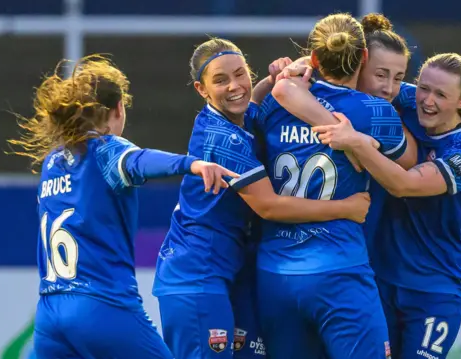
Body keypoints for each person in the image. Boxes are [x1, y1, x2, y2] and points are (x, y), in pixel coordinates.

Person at [151, 38, 371, 359]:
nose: (235, 86)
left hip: (230, 271)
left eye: (240, 74)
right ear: (201, 89)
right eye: (220, 80)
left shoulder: (236, 118)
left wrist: (278, 77)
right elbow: (269, 205)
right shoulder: (221, 138)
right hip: (196, 276)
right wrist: (345, 208)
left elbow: (249, 103)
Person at [8, 54, 237, 359]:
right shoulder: (105, 149)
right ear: (118, 108)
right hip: (101, 306)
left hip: (50, 314)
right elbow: (138, 161)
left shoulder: (53, 162)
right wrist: (191, 163)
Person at [311, 52, 461, 359]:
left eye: (441, 94)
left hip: (434, 290)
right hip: (379, 279)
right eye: (423, 87)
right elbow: (349, 81)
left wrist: (358, 143)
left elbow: (404, 185)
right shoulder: (408, 99)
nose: (427, 100)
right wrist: (299, 68)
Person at [255, 13, 414, 359]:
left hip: (274, 274)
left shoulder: (274, 103)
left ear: (313, 57)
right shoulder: (373, 112)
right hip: (339, 273)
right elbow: (410, 161)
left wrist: (286, 76)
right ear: (364, 58)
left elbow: (251, 118)